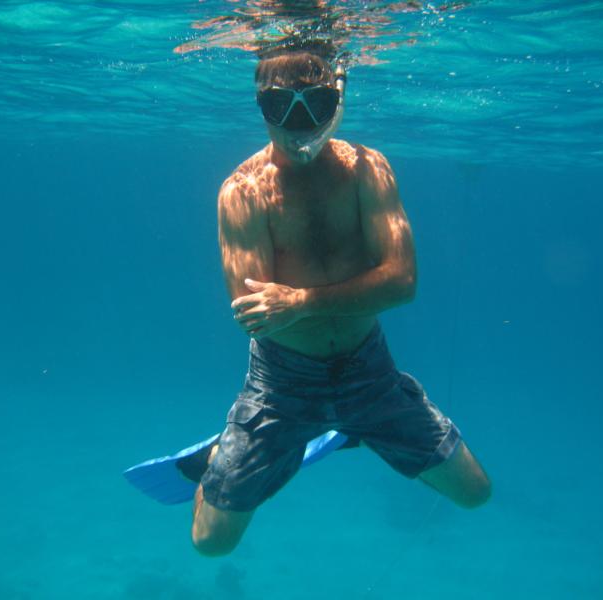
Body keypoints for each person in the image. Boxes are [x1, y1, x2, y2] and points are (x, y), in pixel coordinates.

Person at [191, 51, 491, 557]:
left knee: (475, 494)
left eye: (317, 104)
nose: (297, 125)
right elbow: (255, 314)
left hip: (368, 370)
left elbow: (402, 282)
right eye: (278, 107)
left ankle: (356, 427)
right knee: (210, 544)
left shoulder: (367, 171)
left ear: (340, 97)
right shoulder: (242, 193)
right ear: (259, 106)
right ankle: (223, 456)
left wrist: (302, 302)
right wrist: (302, 306)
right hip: (282, 384)